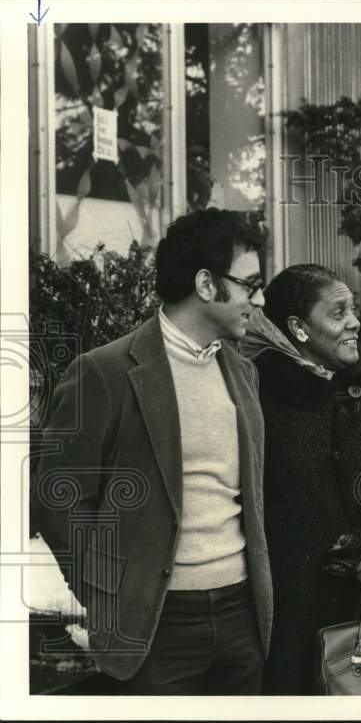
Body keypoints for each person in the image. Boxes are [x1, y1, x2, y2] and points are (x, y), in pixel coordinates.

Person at [32, 208, 272, 694]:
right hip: (154, 626)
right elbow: (58, 499)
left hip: (241, 617)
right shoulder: (104, 372)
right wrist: (108, 596)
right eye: (250, 284)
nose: (259, 299)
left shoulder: (243, 372)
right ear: (206, 284)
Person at [239, 264, 361, 694]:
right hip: (285, 619)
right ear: (298, 327)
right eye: (338, 312)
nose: (354, 321)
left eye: (354, 309)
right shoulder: (255, 397)